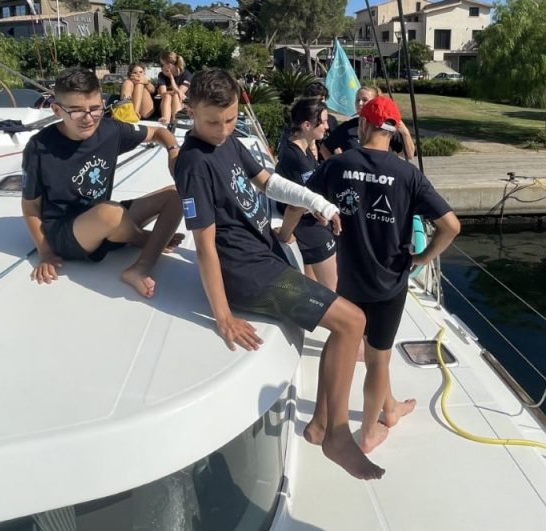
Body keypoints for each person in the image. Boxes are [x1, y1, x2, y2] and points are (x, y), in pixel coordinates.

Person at [173, 68, 384, 480]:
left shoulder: (231, 140)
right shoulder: (193, 164)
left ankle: (323, 424)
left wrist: (317, 203)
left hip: (264, 255)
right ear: (190, 110)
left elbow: (268, 182)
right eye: (212, 121)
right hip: (248, 275)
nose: (222, 129)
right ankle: (335, 436)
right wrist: (224, 316)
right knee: (352, 322)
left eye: (230, 119)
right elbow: (203, 246)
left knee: (352, 321)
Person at [307, 96, 460, 453]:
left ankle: (323, 422)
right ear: (393, 132)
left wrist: (302, 227)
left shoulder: (339, 165)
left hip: (349, 281)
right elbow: (451, 226)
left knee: (338, 347)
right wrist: (422, 257)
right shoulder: (409, 175)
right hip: (389, 283)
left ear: (362, 126)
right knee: (378, 359)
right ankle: (369, 432)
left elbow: (303, 199)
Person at [22, 67, 184, 298]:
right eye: (77, 112)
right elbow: (30, 208)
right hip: (68, 233)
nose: (89, 119)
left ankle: (140, 267)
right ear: (57, 110)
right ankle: (144, 238)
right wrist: (45, 252)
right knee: (111, 213)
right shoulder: (39, 148)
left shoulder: (110, 130)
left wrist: (173, 151)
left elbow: (158, 133)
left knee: (177, 194)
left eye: (95, 109)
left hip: (108, 220)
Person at [275, 97, 338, 291]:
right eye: (324, 121)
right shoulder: (297, 160)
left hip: (306, 223)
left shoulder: (298, 148)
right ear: (307, 125)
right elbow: (297, 204)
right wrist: (285, 236)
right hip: (308, 228)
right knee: (333, 291)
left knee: (312, 288)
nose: (327, 126)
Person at [321, 86, 415, 161]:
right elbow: (324, 147)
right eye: (357, 100)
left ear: (376, 102)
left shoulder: (386, 127)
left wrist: (405, 132)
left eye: (365, 100)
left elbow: (409, 155)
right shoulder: (346, 128)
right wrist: (335, 165)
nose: (360, 103)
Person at [156, 51, 191, 125]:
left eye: (162, 64)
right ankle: (165, 121)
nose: (161, 67)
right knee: (167, 96)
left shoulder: (186, 74)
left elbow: (180, 93)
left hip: (181, 104)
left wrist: (171, 78)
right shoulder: (162, 75)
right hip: (166, 105)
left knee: (175, 96)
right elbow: (163, 94)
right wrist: (172, 92)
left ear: (169, 65)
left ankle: (176, 121)